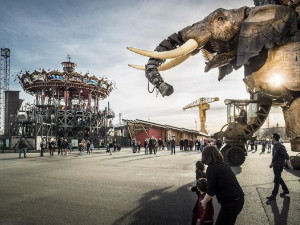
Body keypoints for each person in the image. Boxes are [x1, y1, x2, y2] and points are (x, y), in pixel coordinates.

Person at [201, 146, 244, 225]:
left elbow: (210, 192)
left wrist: (204, 201)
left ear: (206, 156)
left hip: (231, 203)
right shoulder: (223, 164)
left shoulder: (211, 169)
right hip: (239, 199)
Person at [266, 133, 293, 201]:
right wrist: (272, 163)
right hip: (275, 165)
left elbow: (286, 156)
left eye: (272, 137)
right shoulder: (274, 146)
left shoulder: (280, 146)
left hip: (279, 166)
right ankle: (286, 190)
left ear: (274, 138)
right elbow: (275, 157)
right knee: (279, 178)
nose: (271, 139)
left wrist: (289, 165)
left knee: (276, 180)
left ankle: (273, 195)